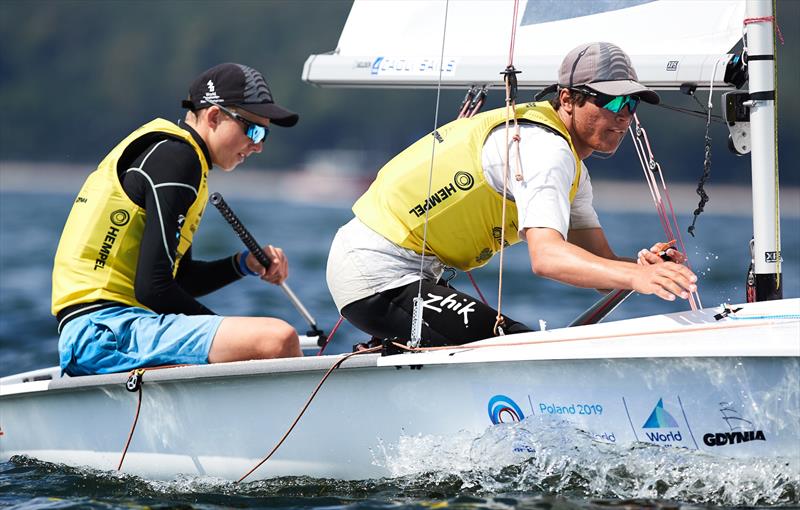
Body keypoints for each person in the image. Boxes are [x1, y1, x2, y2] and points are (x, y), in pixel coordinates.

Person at [326, 42, 698, 347]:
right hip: (377, 273)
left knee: (506, 343)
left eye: (632, 105)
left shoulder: (572, 170)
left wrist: (638, 270)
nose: (624, 116)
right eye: (612, 102)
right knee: (514, 345)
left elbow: (598, 266)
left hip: (406, 273)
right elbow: (547, 258)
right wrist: (634, 279)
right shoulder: (544, 150)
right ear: (567, 99)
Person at [52, 63, 303, 376]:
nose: (259, 146)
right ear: (214, 116)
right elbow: (152, 289)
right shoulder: (177, 160)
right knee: (276, 339)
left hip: (107, 328)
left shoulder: (178, 157)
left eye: (265, 135)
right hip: (103, 330)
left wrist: (243, 264)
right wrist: (223, 331)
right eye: (254, 130)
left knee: (262, 339)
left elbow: (177, 281)